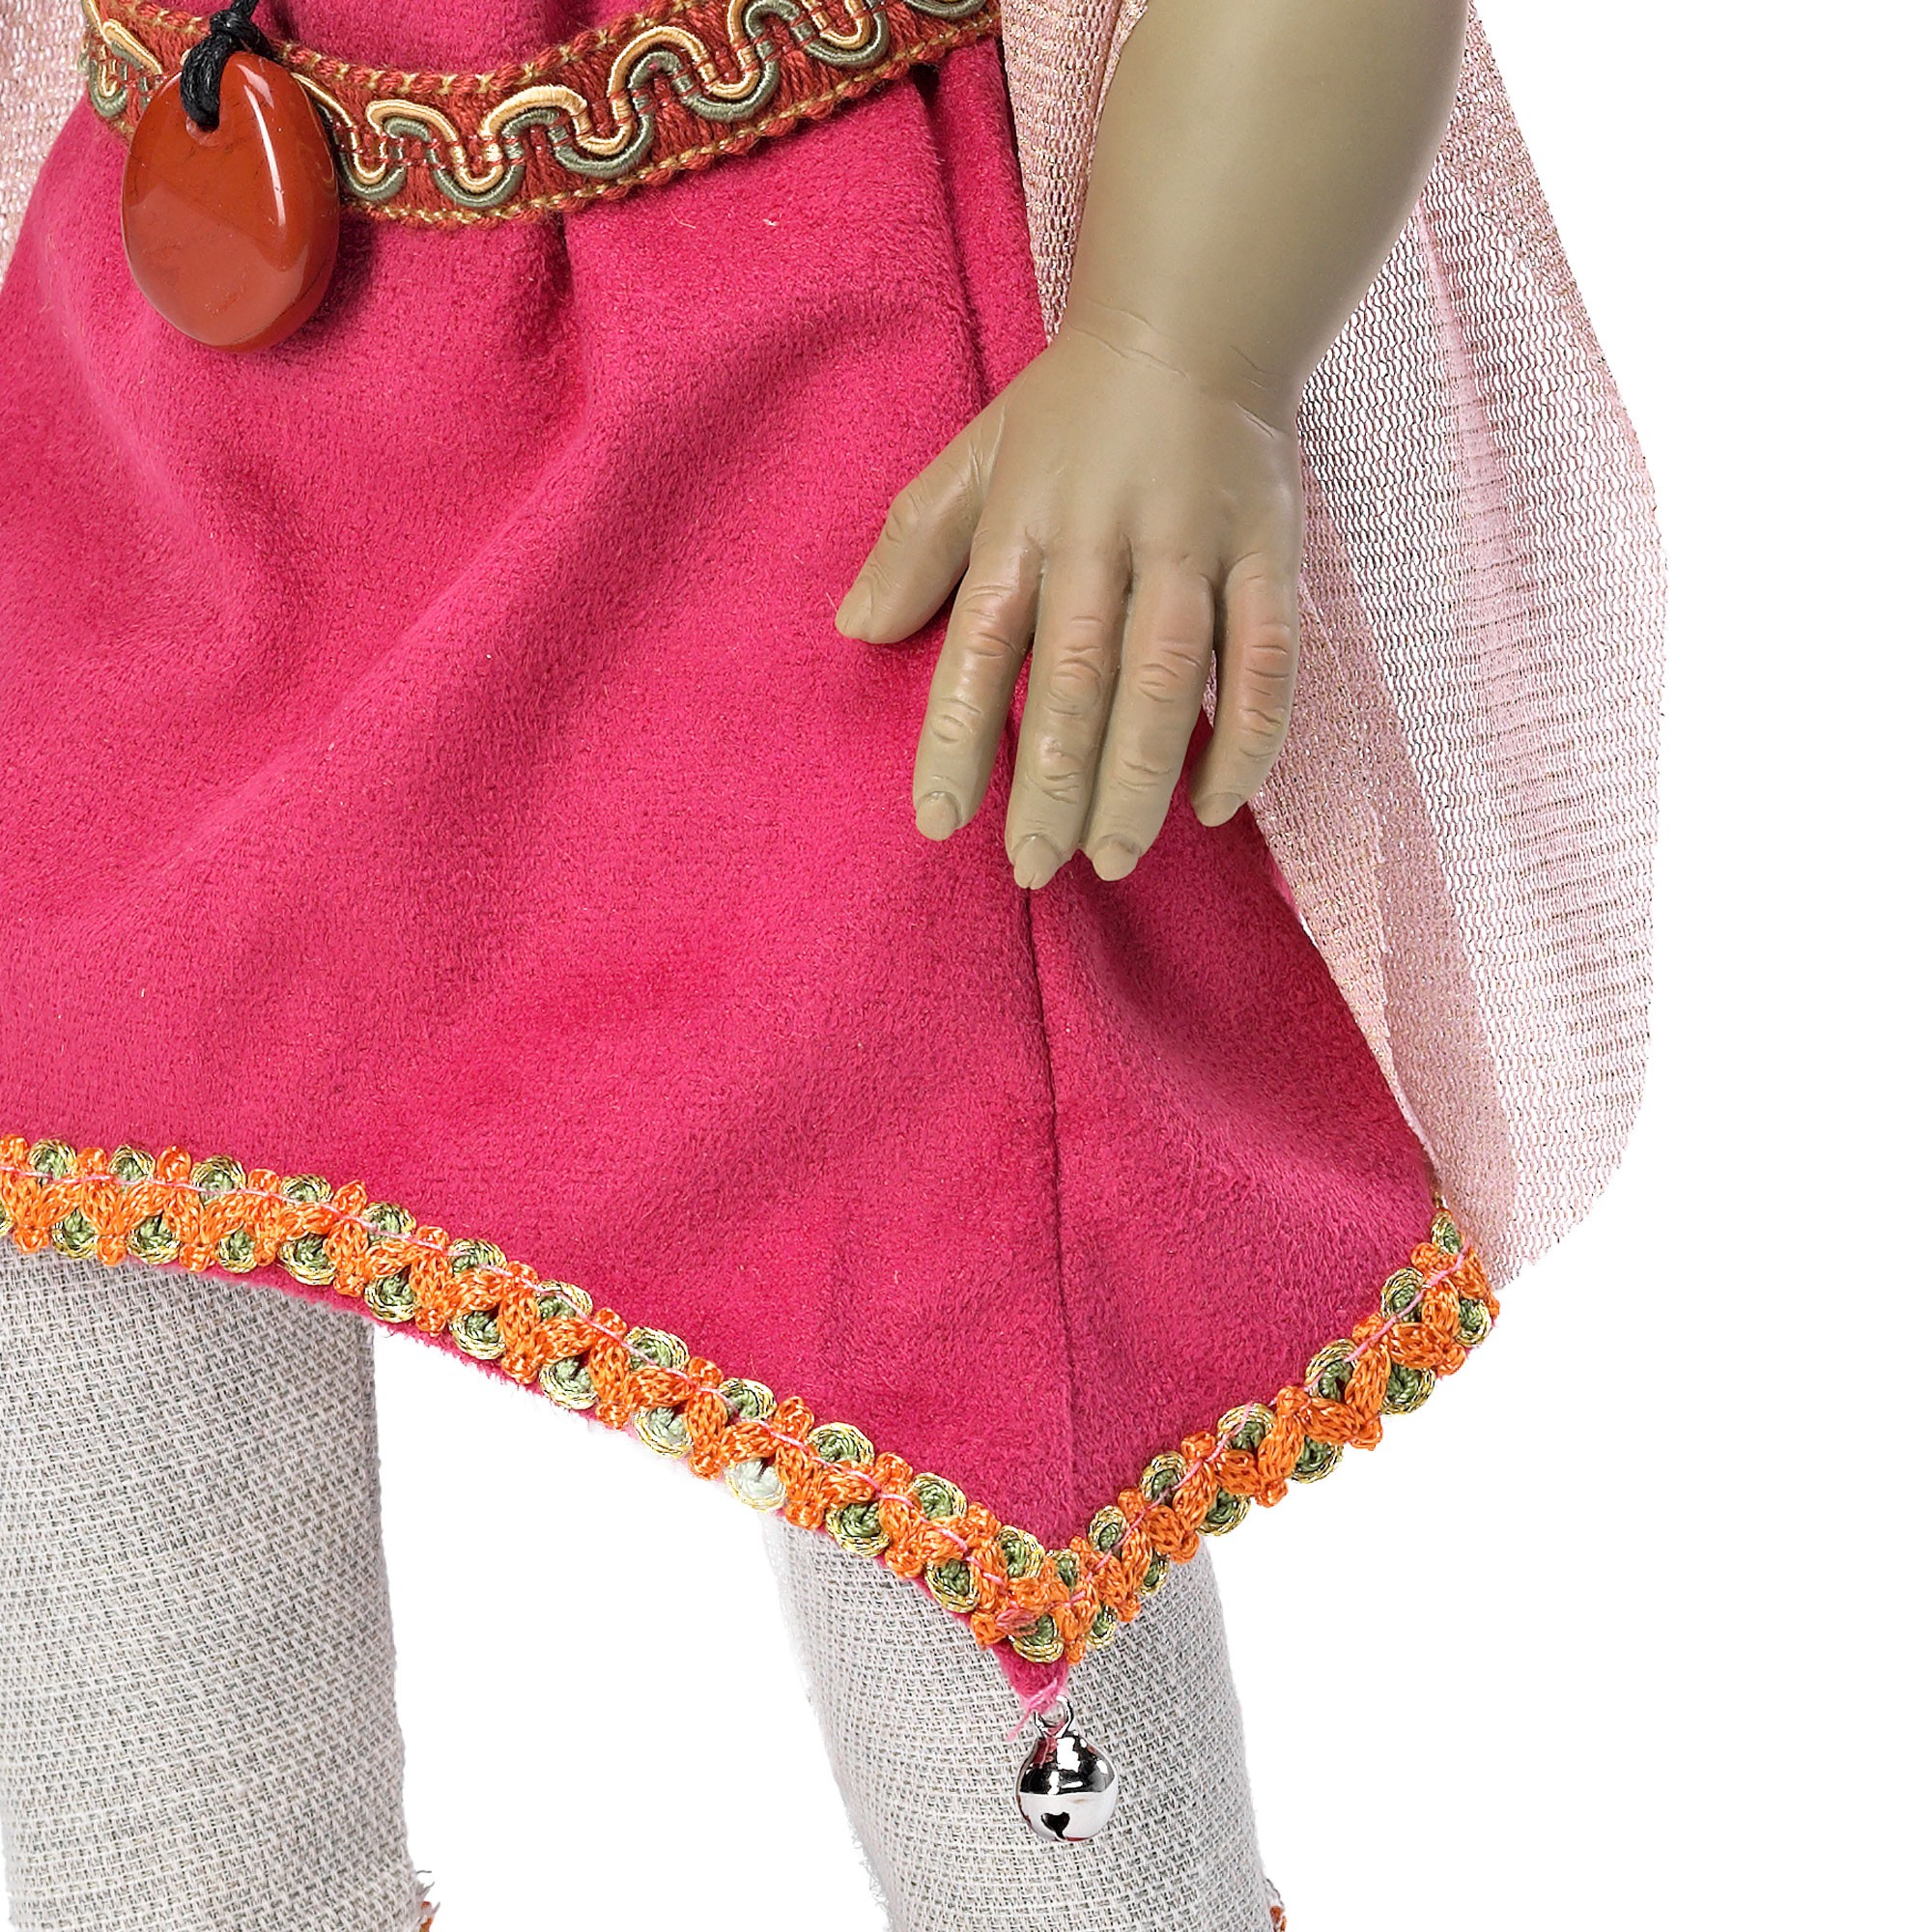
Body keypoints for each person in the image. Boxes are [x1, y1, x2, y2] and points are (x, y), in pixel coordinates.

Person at [0, 2, 1664, 1927]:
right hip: (193, 376)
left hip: (814, 414)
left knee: (950, 1336)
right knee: (75, 1200)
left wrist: (1177, 349)